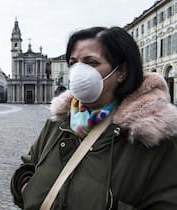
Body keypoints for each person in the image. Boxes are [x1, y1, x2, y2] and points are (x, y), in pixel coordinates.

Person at [10, 26, 177, 210]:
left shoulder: (153, 135)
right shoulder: (59, 121)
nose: (78, 71)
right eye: (73, 63)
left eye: (91, 62)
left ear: (121, 71)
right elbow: (28, 165)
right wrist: (26, 188)